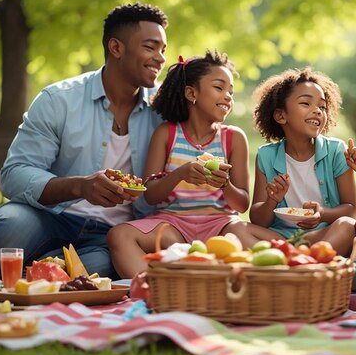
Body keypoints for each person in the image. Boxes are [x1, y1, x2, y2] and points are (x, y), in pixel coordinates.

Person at [0, 2, 169, 284]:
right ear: (116, 48)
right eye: (151, 47)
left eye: (163, 49)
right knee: (9, 232)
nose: (160, 58)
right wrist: (80, 186)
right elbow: (14, 174)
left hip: (112, 233)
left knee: (91, 267)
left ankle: (27, 271)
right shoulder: (59, 100)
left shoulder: (162, 111)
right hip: (45, 216)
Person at [107, 50, 280, 278]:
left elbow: (241, 205)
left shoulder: (233, 137)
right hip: (172, 226)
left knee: (277, 243)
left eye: (231, 91)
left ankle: (217, 279)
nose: (228, 97)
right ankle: (152, 291)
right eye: (219, 88)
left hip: (222, 226)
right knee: (119, 235)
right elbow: (149, 195)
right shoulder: (167, 134)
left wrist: (225, 185)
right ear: (191, 93)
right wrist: (180, 174)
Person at [249, 67, 356, 256]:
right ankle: (305, 260)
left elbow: (351, 210)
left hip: (323, 235)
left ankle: (295, 262)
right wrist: (272, 200)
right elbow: (258, 221)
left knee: (347, 226)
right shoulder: (266, 156)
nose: (317, 111)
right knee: (235, 228)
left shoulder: (336, 151)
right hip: (281, 238)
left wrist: (322, 213)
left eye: (322, 107)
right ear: (281, 116)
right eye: (306, 103)